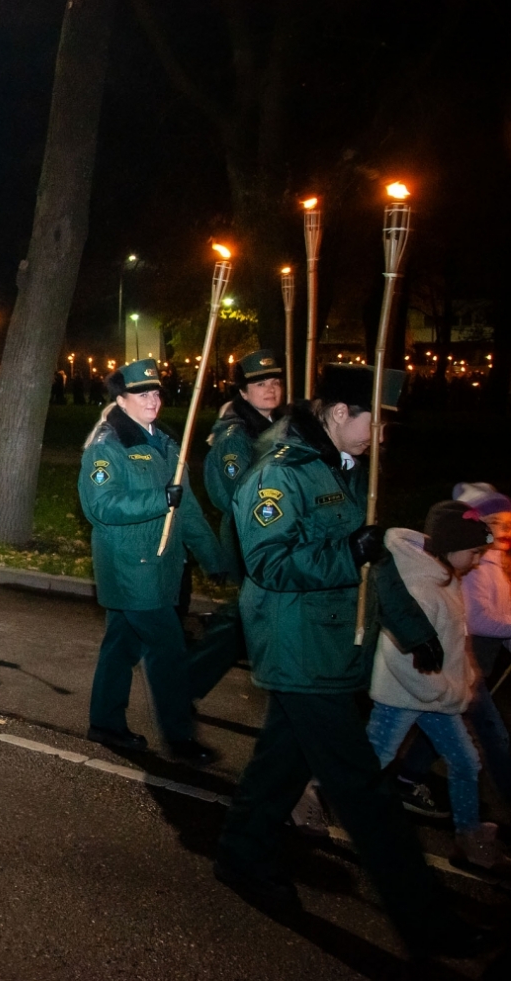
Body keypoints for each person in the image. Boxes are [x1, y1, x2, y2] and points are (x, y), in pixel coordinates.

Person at [213, 364, 494, 960]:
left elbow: (374, 565)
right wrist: (347, 552)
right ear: (339, 413)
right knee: (365, 791)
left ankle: (241, 852)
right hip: (298, 647)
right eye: (374, 420)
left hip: (332, 648)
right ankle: (426, 921)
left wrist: (412, 629)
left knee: (282, 765)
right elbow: (269, 562)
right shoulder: (280, 475)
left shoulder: (343, 470)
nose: (380, 434)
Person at [77, 358, 227, 765]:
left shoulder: (165, 443)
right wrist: (158, 500)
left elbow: (188, 507)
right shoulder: (107, 447)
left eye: (157, 392)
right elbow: (101, 506)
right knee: (168, 650)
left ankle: (105, 722)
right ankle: (180, 738)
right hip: (131, 567)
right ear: (121, 400)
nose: (153, 400)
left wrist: (212, 557)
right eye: (143, 393)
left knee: (121, 645)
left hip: (160, 566)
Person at [366, 502, 509, 874]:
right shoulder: (420, 586)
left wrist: (464, 675)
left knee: (465, 761)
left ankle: (468, 837)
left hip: (434, 697)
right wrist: (446, 690)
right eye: (475, 552)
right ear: (450, 546)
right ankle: (312, 793)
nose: (478, 560)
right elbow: (402, 656)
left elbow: (448, 641)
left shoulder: (445, 577)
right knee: (370, 760)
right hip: (406, 696)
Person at [394, 482, 511, 819]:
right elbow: (477, 619)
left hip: (472, 669)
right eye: (497, 524)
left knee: (439, 726)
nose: (504, 531)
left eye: (507, 524)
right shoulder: (475, 565)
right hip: (465, 666)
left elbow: (499, 615)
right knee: (493, 739)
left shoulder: (492, 563)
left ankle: (405, 778)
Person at [192, 349, 286, 698]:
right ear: (243, 392)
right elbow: (242, 491)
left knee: (252, 613)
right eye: (260, 384)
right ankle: (186, 681)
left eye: (275, 381)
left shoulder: (278, 427)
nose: (270, 389)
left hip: (271, 533)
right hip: (249, 534)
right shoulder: (237, 436)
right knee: (247, 614)